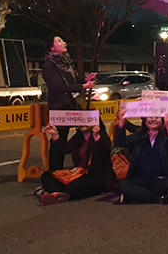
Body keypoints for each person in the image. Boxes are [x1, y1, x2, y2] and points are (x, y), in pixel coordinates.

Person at [41, 35, 96, 171]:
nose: (64, 43)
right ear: (52, 47)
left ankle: (82, 164)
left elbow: (70, 84)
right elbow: (59, 87)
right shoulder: (48, 66)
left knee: (86, 129)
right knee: (59, 138)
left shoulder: (66, 63)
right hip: (59, 108)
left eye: (63, 40)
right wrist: (83, 87)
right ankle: (55, 171)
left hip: (70, 105)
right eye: (59, 41)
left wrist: (84, 80)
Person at [37, 121, 116, 205]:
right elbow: (63, 149)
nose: (83, 123)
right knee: (47, 175)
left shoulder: (102, 136)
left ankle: (54, 192)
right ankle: (57, 194)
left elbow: (103, 152)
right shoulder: (77, 137)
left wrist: (96, 137)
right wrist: (55, 135)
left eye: (88, 120)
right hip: (77, 174)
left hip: (96, 177)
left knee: (75, 186)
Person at [114, 109, 168, 205]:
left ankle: (134, 196)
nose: (153, 119)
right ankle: (161, 199)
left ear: (162, 120)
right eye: (150, 117)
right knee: (122, 185)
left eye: (157, 117)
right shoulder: (138, 136)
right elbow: (120, 143)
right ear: (145, 120)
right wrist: (121, 123)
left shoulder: (165, 136)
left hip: (161, 179)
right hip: (141, 179)